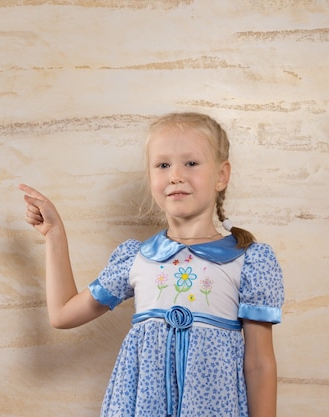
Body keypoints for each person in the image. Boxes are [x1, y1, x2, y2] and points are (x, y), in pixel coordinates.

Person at [19, 112, 284, 417]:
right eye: (162, 165)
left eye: (191, 163)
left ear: (221, 175)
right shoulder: (137, 259)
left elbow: (260, 363)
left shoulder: (247, 260)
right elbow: (63, 313)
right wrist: (54, 234)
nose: (175, 175)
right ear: (151, 178)